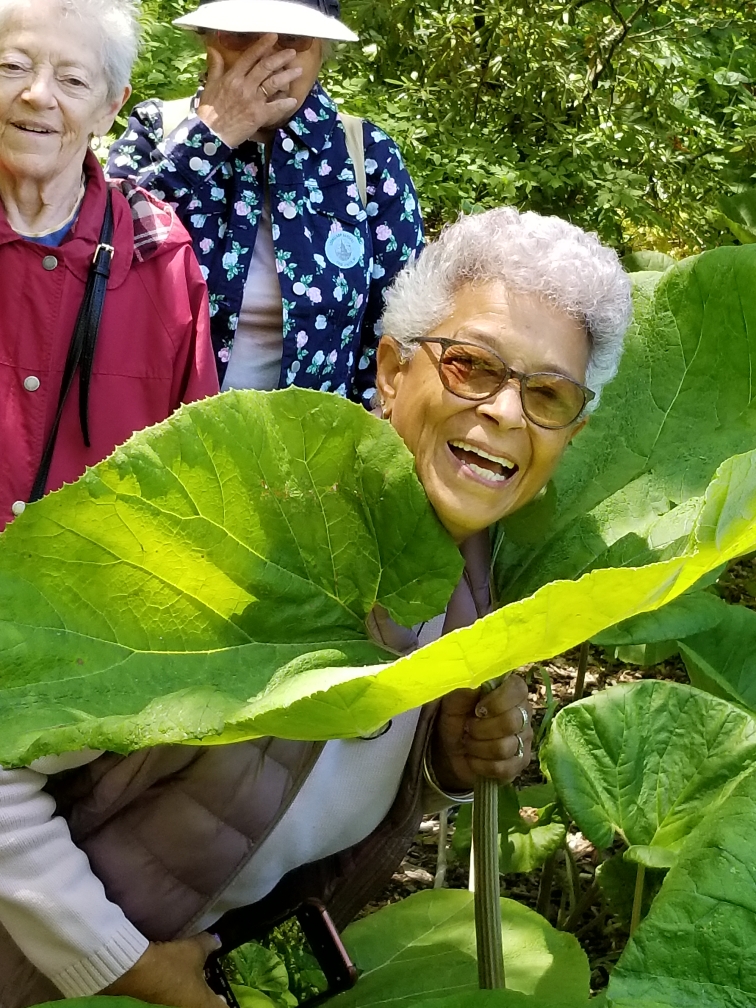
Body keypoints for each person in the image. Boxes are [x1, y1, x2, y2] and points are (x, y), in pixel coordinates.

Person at [0, 207, 632, 1008]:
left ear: (569, 436)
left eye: (547, 393)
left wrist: (444, 765)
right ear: (392, 369)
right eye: (472, 365)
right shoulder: (254, 522)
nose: (507, 412)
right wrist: (119, 964)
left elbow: (317, 789)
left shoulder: (473, 581)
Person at [106, 0, 424, 406]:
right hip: (167, 447)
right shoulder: (156, 131)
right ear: (208, 41)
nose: (267, 56)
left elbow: (398, 333)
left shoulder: (368, 157)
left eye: (291, 37)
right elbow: (101, 260)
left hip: (311, 454)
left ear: (321, 50)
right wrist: (210, 135)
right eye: (242, 33)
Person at [0, 0, 219, 531]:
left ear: (110, 108)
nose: (37, 94)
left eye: (73, 80)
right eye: (12, 66)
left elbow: (197, 477)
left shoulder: (158, 258)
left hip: (89, 607)